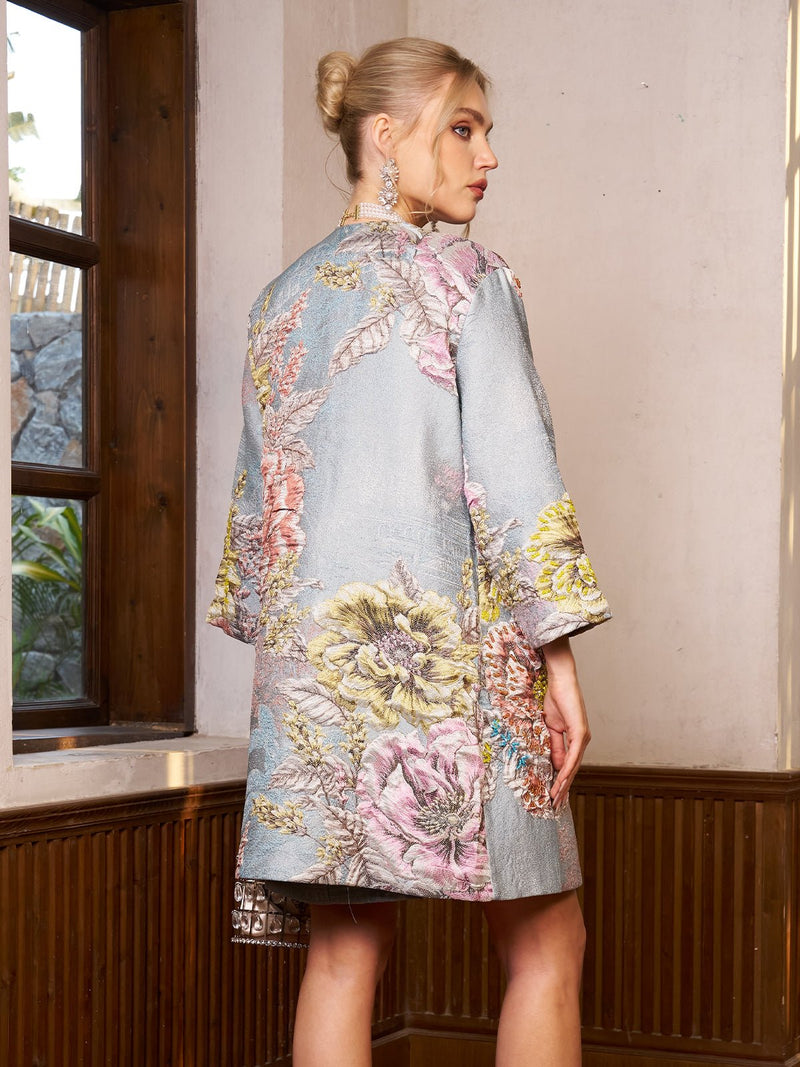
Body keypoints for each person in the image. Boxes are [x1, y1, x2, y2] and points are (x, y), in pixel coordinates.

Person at [207, 36, 611, 1067]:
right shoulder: (467, 278)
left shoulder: (280, 301)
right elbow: (514, 479)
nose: (488, 156)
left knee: (343, 958)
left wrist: (296, 670)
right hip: (460, 670)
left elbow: (260, 526)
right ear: (384, 135)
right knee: (546, 942)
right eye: (462, 128)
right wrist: (557, 659)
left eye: (486, 132)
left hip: (318, 689)